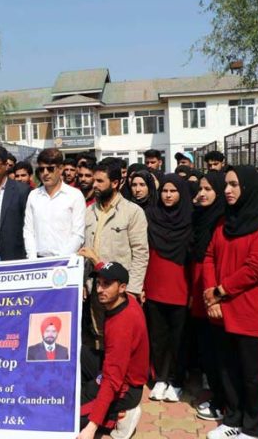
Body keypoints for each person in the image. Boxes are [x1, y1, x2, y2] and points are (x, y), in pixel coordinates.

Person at [203, 166, 258, 439]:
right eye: (226, 184)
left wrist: (220, 290)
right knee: (229, 369)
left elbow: (257, 268)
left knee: (255, 375)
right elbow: (210, 256)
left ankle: (256, 427)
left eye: (234, 184)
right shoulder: (225, 222)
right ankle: (234, 418)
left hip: (252, 310)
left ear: (249, 188)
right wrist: (211, 294)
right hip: (223, 309)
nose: (227, 190)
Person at [79, 161, 149, 352]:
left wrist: (133, 289)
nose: (95, 185)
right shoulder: (88, 212)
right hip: (96, 288)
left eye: (100, 181)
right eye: (94, 180)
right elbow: (84, 250)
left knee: (122, 339)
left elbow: (141, 254)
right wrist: (84, 283)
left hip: (120, 290)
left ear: (116, 183)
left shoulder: (132, 212)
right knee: (100, 337)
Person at [78, 262, 148, 439]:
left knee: (68, 416)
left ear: (122, 287)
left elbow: (111, 379)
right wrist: (97, 260)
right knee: (79, 354)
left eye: (106, 284)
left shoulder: (122, 326)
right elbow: (108, 268)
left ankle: (120, 416)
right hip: (116, 368)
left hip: (126, 388)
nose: (100, 289)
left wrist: (90, 429)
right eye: (99, 283)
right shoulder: (127, 299)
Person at [142, 174, 192, 403]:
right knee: (158, 336)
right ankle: (160, 378)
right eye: (165, 191)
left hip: (181, 288)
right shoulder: (151, 216)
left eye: (173, 191)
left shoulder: (190, 219)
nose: (168, 195)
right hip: (154, 286)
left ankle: (176, 380)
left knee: (179, 338)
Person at [189, 172, 227, 422]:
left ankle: (224, 402)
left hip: (215, 294)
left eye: (208, 189)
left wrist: (216, 296)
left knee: (220, 352)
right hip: (199, 290)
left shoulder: (222, 221)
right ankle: (218, 395)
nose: (202, 193)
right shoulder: (199, 217)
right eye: (200, 189)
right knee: (208, 349)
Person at [24, 148, 85, 259]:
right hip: (38, 260)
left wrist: (59, 261)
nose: (45, 173)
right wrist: (32, 259)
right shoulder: (33, 196)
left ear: (60, 169)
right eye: (42, 169)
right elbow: (28, 231)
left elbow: (78, 235)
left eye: (50, 169)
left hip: (65, 261)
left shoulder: (75, 195)